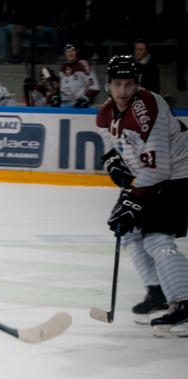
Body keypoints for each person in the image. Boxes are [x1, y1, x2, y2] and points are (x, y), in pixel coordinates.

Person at [98, 56, 188, 337]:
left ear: (138, 84)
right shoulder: (106, 113)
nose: (123, 91)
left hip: (178, 174)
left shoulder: (147, 107)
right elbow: (115, 145)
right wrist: (112, 160)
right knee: (129, 231)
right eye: (117, 84)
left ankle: (185, 302)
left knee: (157, 238)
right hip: (153, 178)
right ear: (108, 85)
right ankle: (159, 292)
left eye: (129, 84)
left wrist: (132, 199)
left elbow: (159, 167)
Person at [59, 42, 99, 108]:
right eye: (67, 51)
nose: (70, 53)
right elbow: (63, 88)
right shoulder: (63, 67)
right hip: (64, 105)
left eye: (72, 50)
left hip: (80, 106)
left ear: (77, 51)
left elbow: (94, 87)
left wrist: (84, 99)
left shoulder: (84, 65)